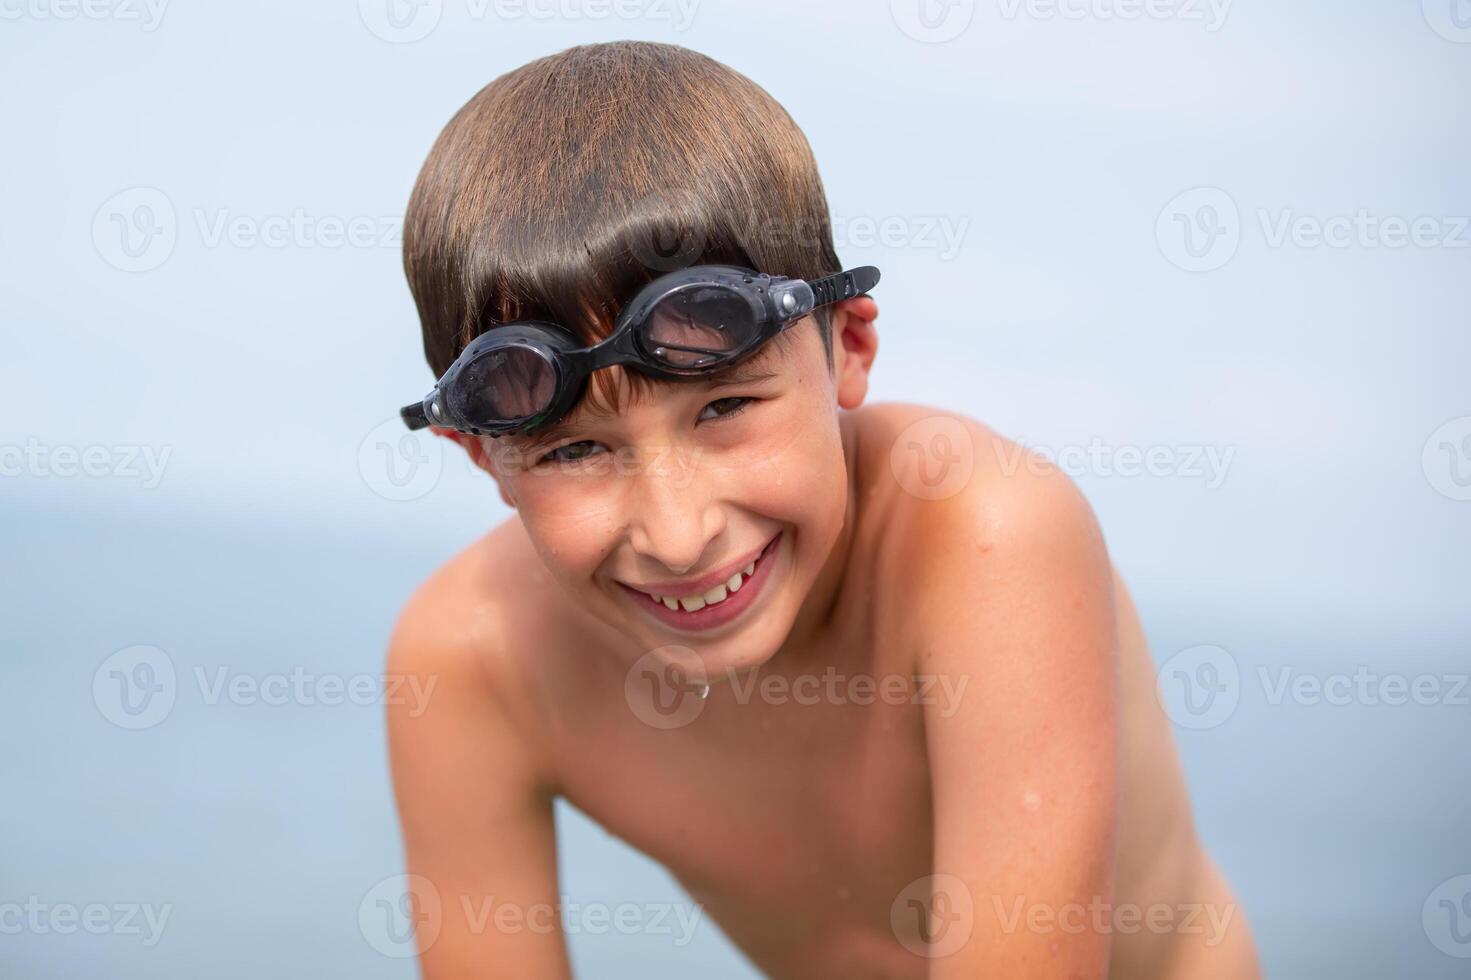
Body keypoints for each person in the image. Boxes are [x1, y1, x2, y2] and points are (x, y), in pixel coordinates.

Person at [384, 39, 1259, 979]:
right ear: (480, 451)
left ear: (845, 346)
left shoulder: (987, 537)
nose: (679, 536)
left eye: (723, 407)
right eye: (577, 451)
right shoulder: (474, 659)